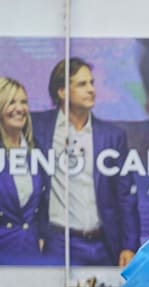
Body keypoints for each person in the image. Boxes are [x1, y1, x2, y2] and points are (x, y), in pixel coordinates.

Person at [33, 57, 140, 267]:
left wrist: (130, 245)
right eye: (82, 84)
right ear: (62, 92)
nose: (91, 89)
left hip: (103, 244)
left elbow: (125, 196)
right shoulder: (40, 128)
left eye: (92, 83)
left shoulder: (112, 136)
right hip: (58, 242)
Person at [0, 77, 48, 264]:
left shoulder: (36, 150)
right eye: (12, 102)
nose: (20, 109)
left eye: (24, 102)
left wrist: (42, 236)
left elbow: (44, 202)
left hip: (30, 251)